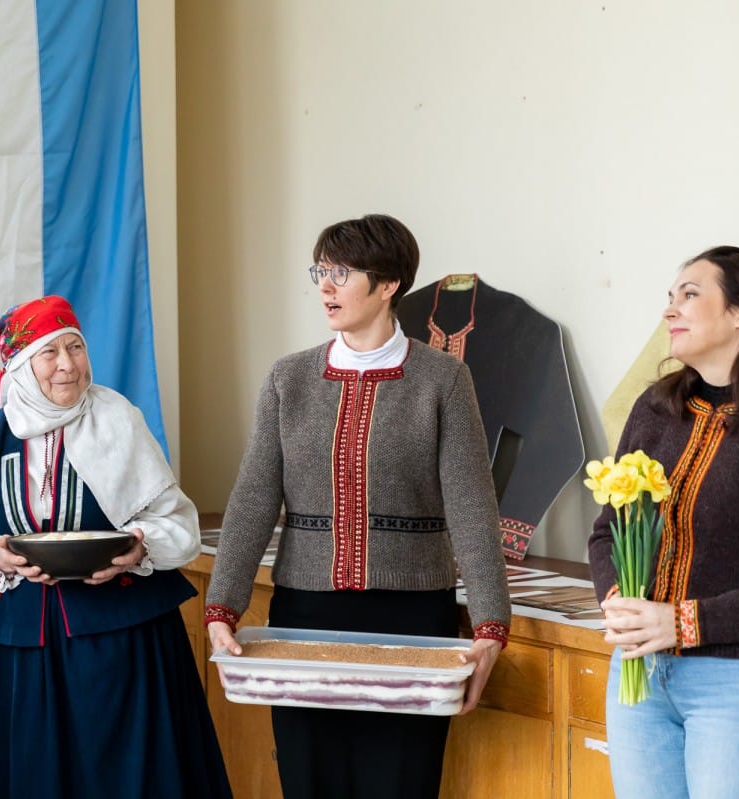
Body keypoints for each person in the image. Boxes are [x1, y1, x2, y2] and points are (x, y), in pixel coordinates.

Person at [204, 214, 512, 798]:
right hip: (304, 616)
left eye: (341, 273)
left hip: (412, 619)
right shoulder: (288, 379)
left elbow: (472, 507)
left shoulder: (443, 380)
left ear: (388, 283)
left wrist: (492, 623)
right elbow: (253, 498)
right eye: (321, 271)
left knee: (399, 782)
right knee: (310, 780)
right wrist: (222, 606)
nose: (325, 286)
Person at [0, 295, 232, 799]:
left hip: (122, 640)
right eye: (49, 352)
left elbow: (177, 524)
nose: (68, 365)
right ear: (20, 366)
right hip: (21, 649)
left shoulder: (119, 419)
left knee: (130, 774)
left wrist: (140, 549)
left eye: (75, 347)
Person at [589, 245, 739, 798]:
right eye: (670, 297)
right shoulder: (656, 408)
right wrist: (619, 603)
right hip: (640, 676)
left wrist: (683, 623)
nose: (670, 310)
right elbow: (607, 532)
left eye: (690, 294)